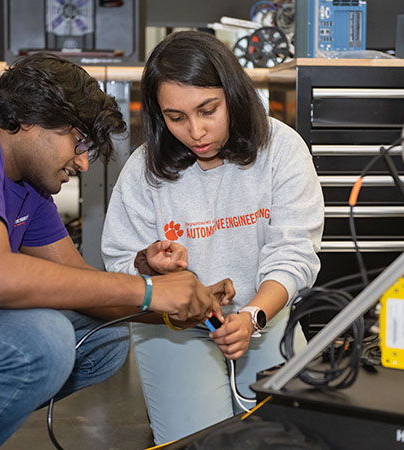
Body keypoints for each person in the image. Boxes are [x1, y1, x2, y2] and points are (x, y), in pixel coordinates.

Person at [0, 52, 223, 449]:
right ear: (30, 118)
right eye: (79, 141)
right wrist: (150, 291)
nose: (84, 163)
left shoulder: (25, 184)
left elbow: (85, 288)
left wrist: (180, 308)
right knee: (40, 341)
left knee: (102, 340)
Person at [101, 31, 324, 444]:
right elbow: (118, 266)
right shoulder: (142, 169)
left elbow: (294, 253)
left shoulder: (282, 150)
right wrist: (150, 265)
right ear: (158, 114)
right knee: (201, 440)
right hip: (173, 327)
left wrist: (253, 316)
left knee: (289, 436)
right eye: (176, 117)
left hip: (264, 315)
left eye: (208, 110)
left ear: (234, 95)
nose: (196, 131)